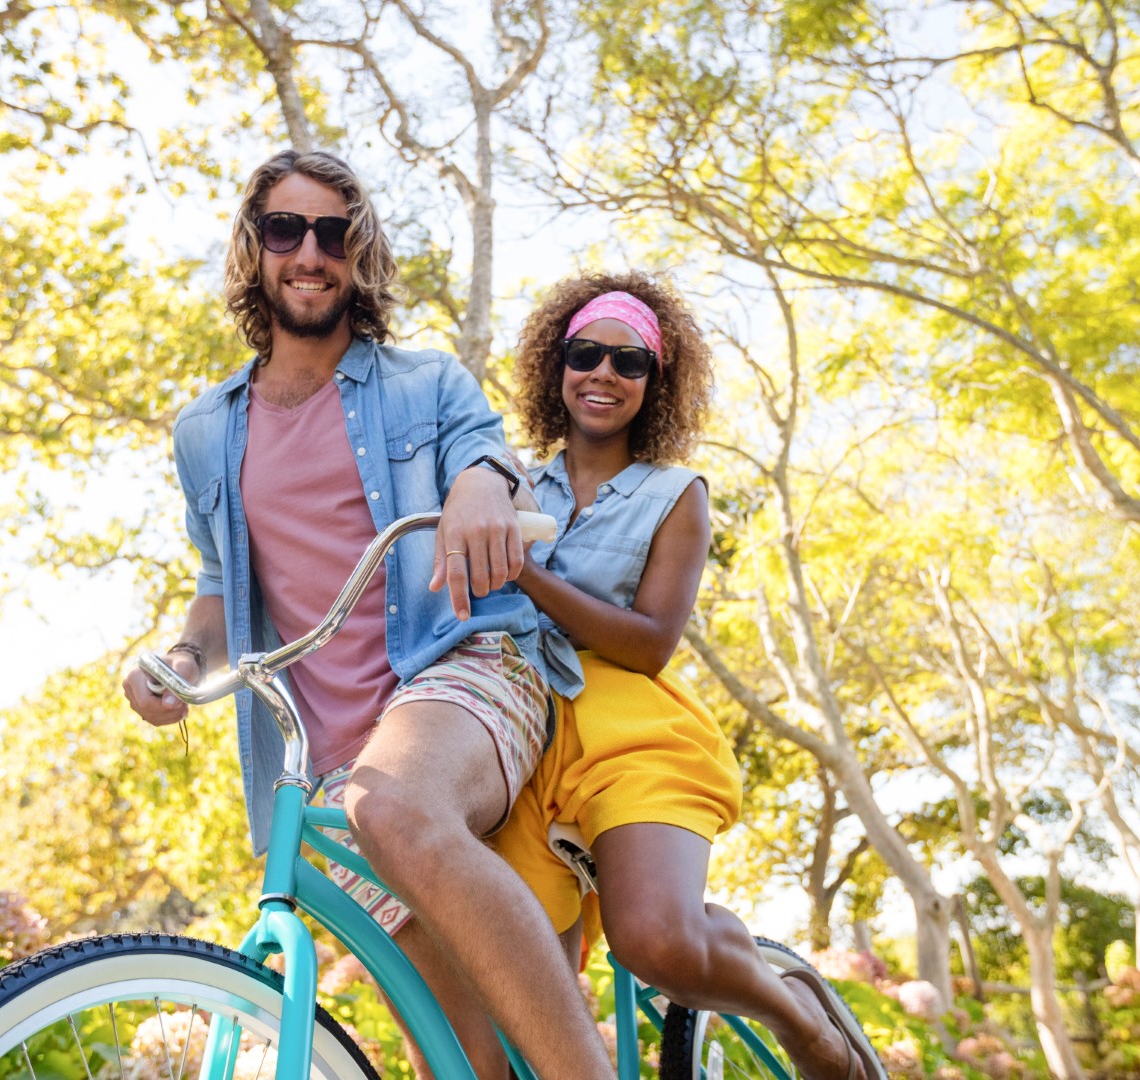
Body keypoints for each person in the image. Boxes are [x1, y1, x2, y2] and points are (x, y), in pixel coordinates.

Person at [120, 149, 614, 1080]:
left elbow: (484, 455)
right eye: (286, 230)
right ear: (254, 250)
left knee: (392, 804)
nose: (310, 252)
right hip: (323, 756)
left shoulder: (423, 384)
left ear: (360, 254)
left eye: (333, 233)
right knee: (459, 1060)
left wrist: (478, 486)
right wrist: (183, 662)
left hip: (462, 672)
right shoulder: (204, 431)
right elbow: (221, 585)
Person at [490, 271, 881, 1079]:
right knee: (524, 997)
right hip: (519, 737)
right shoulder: (508, 480)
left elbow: (650, 643)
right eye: (586, 353)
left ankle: (794, 1011)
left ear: (654, 382)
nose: (603, 373)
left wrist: (527, 575)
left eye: (628, 362)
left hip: (626, 728)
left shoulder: (677, 495)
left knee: (654, 942)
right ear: (556, 366)